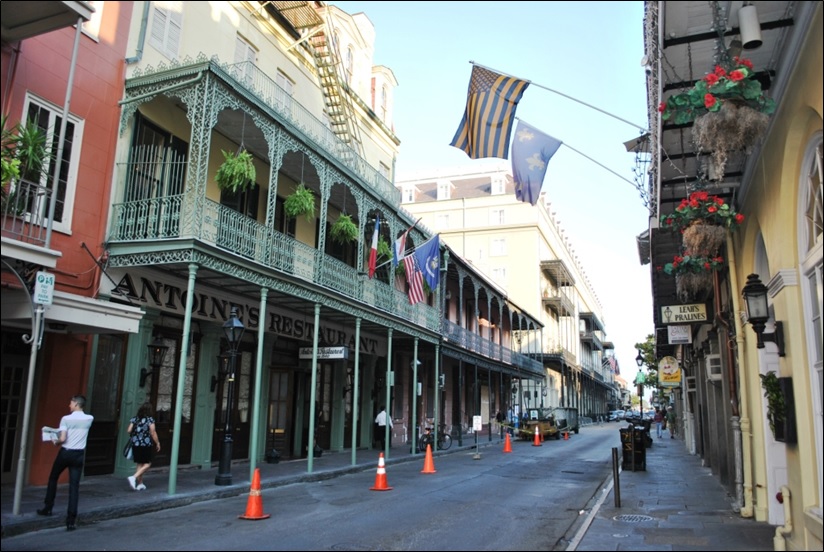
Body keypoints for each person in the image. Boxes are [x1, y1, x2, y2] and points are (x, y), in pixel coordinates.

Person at [37, 395, 94, 531]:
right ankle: (71, 520)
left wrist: (54, 440)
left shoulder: (66, 419)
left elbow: (62, 438)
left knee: (53, 478)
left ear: (75, 404)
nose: (69, 405)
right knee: (74, 486)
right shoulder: (89, 418)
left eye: (70, 403)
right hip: (79, 454)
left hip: (66, 452)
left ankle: (48, 506)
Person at [126, 402, 161, 491]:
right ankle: (133, 477)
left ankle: (140, 484)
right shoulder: (150, 419)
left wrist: (136, 434)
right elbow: (153, 432)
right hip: (145, 444)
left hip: (135, 443)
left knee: (139, 463)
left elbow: (129, 430)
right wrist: (157, 443)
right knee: (148, 463)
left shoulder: (135, 419)